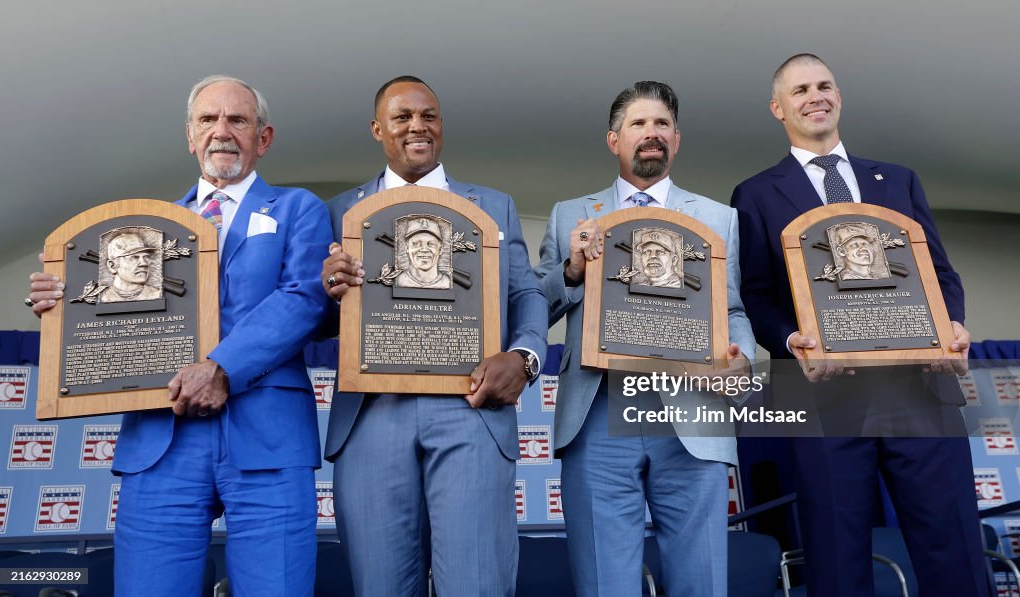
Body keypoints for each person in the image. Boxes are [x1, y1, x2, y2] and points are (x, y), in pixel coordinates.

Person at [27, 75, 332, 596]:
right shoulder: (133, 232)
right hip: (160, 441)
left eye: (238, 120)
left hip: (268, 438)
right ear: (189, 136)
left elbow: (304, 297)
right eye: (208, 120)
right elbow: (107, 320)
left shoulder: (298, 209)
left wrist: (221, 368)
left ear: (264, 137)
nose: (222, 131)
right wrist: (62, 305)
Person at [731, 54, 987, 596]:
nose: (815, 96)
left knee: (954, 546)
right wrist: (786, 340)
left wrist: (954, 325)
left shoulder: (897, 179)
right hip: (825, 397)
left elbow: (938, 273)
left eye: (824, 85)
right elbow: (753, 292)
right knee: (836, 553)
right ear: (779, 108)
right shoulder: (754, 194)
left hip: (919, 387)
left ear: (839, 96)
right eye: (800, 90)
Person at [320, 75, 547, 597]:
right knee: (380, 585)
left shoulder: (494, 205)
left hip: (471, 406)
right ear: (378, 129)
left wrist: (526, 356)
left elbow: (526, 295)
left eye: (429, 116)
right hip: (370, 414)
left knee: (477, 582)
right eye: (402, 117)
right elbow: (316, 316)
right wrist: (325, 291)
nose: (417, 127)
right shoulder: (338, 212)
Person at [534, 80, 755, 596]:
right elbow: (534, 308)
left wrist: (741, 358)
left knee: (701, 582)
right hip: (596, 416)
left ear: (676, 139)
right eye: (638, 123)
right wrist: (570, 268)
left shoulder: (720, 219)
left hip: (693, 417)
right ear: (614, 140)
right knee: (604, 583)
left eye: (661, 124)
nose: (650, 133)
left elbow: (734, 309)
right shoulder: (571, 214)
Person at [101, 230, 161, 302]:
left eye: (146, 257)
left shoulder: (157, 294)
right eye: (134, 257)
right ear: (112, 266)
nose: (144, 263)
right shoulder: (102, 297)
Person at [395, 216, 452, 288]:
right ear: (407, 248)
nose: (424, 249)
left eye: (431, 244)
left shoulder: (447, 283)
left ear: (440, 250)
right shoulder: (400, 280)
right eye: (416, 244)